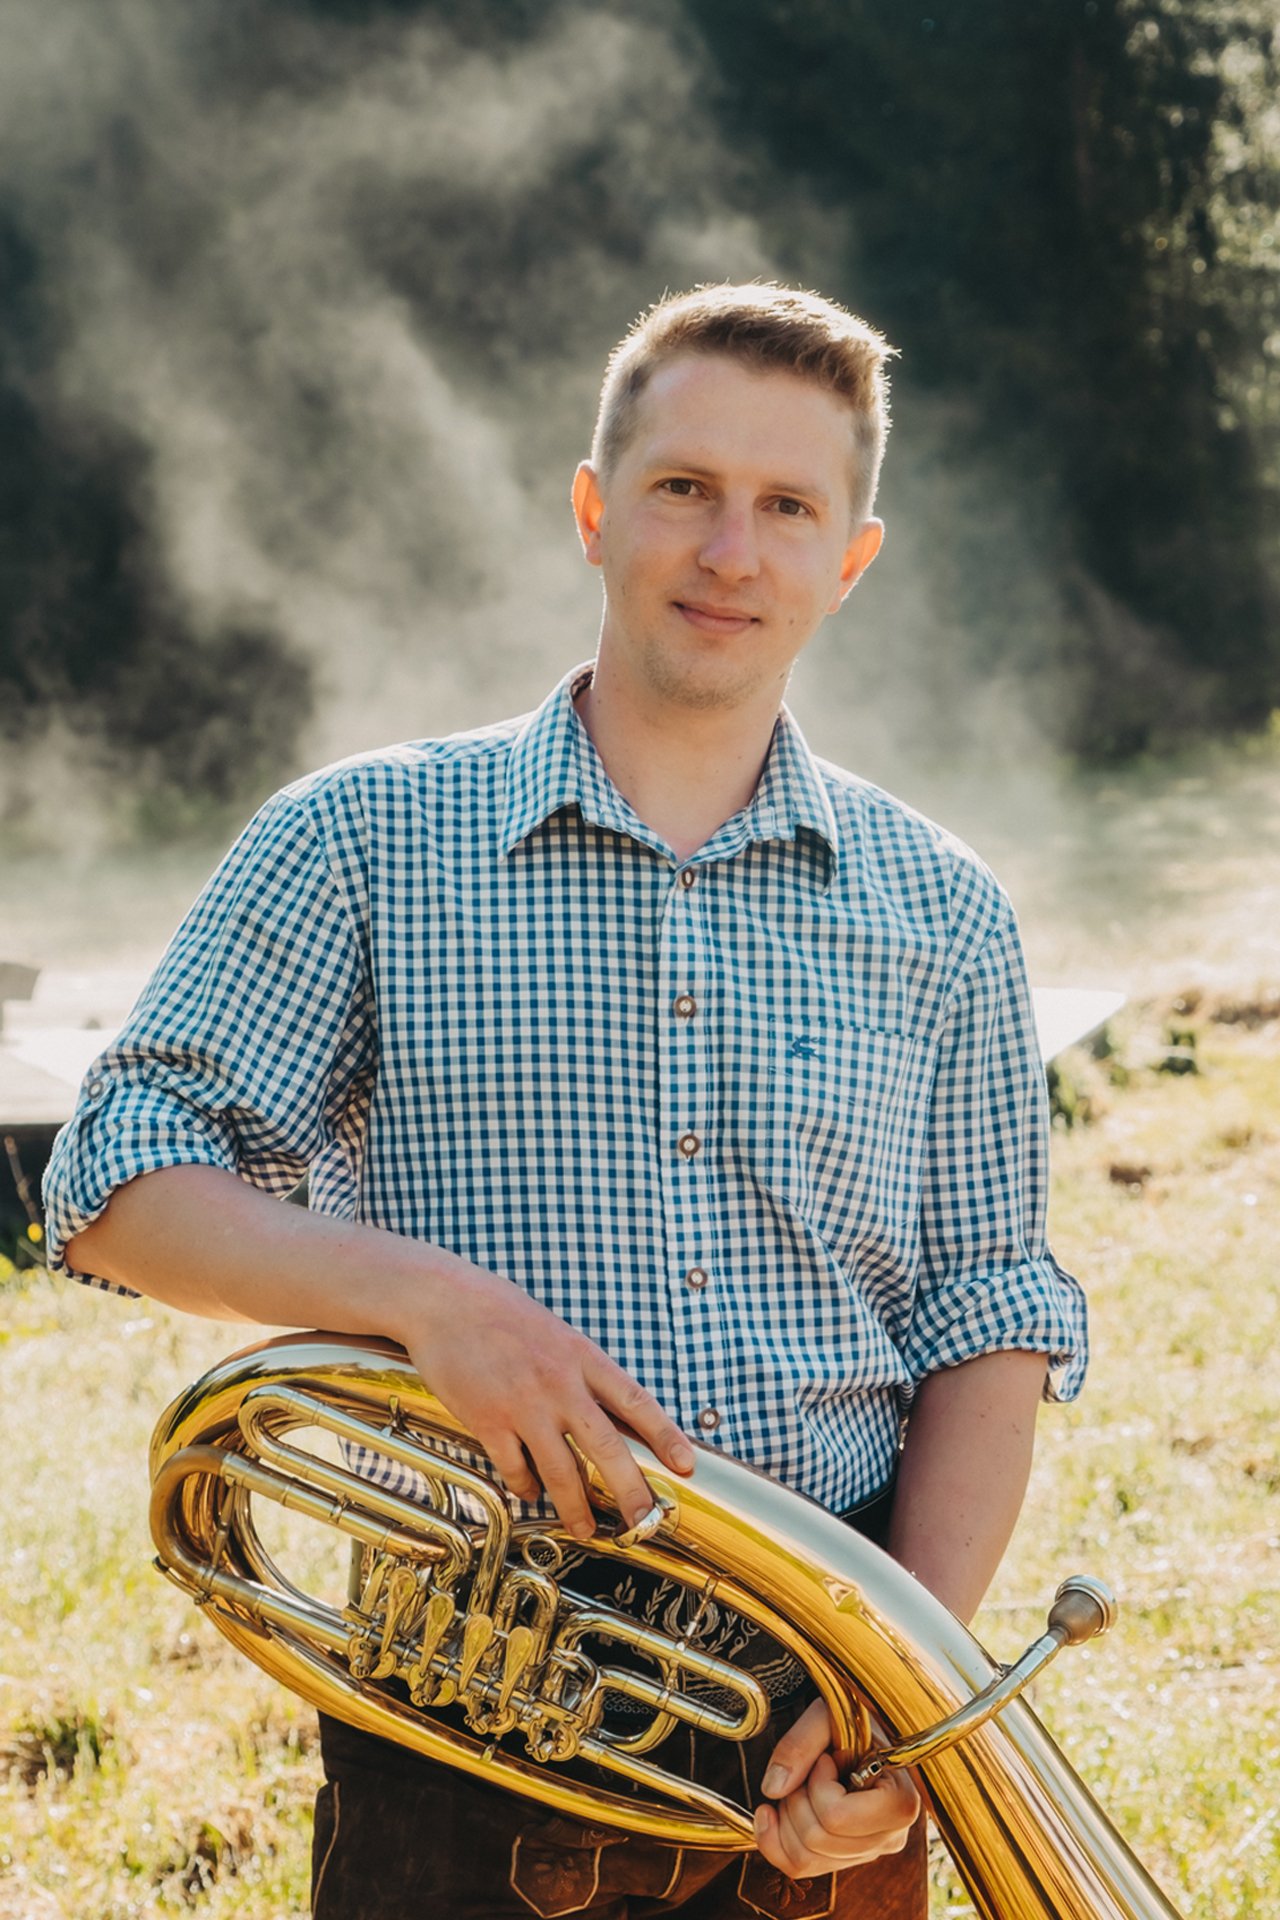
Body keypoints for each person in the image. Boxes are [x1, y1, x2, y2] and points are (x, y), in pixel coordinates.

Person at [44, 282, 1086, 1920]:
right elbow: (111, 1180)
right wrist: (426, 1303)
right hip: (460, 1728)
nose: (728, 551)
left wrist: (905, 1692)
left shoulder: (943, 912)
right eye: (684, 489)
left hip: (826, 1740)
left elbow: (986, 1319)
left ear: (850, 560)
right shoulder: (364, 840)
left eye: (787, 507)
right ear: (596, 512)